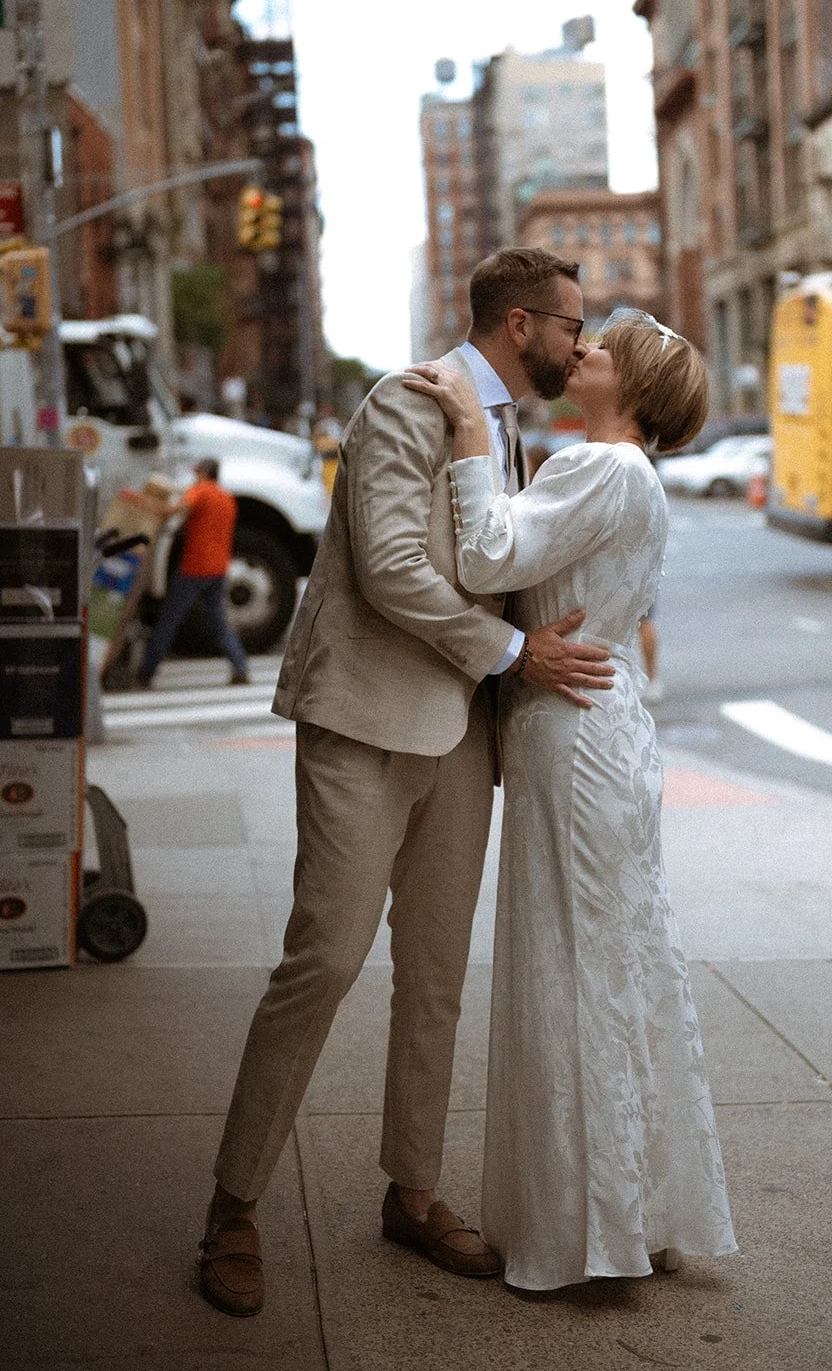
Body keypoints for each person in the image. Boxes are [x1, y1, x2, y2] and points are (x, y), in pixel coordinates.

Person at [198, 248, 614, 1316]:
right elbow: (389, 568)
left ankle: (413, 1190)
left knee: (433, 978)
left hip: (462, 739)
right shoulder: (403, 402)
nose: (580, 341)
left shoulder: (509, 427)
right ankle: (234, 1204)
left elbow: (493, 558)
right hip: (364, 723)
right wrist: (517, 656)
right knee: (323, 960)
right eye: (571, 324)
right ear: (521, 326)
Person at [404, 308, 737, 1291]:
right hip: (603, 723)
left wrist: (470, 436)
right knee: (618, 959)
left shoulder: (604, 466)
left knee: (573, 963)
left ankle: (593, 1227)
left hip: (576, 733)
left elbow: (487, 559)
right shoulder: (626, 474)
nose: (583, 348)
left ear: (631, 387)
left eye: (605, 348)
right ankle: (635, 1210)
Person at [133, 458, 249, 688]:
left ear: (205, 472)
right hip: (218, 568)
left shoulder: (201, 491)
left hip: (195, 567)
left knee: (169, 619)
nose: (194, 476)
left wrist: (140, 502)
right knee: (218, 621)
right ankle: (240, 666)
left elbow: (171, 512)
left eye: (196, 472)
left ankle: (146, 671)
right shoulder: (227, 498)